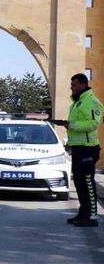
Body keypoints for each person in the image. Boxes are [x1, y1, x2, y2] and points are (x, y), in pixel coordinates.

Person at [55, 73, 102, 227]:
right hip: (78, 148)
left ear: (83, 85)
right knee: (80, 183)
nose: (71, 88)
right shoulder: (77, 103)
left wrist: (72, 125)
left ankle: (92, 216)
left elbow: (93, 124)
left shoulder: (92, 102)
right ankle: (83, 214)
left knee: (87, 182)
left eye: (74, 85)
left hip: (88, 149)